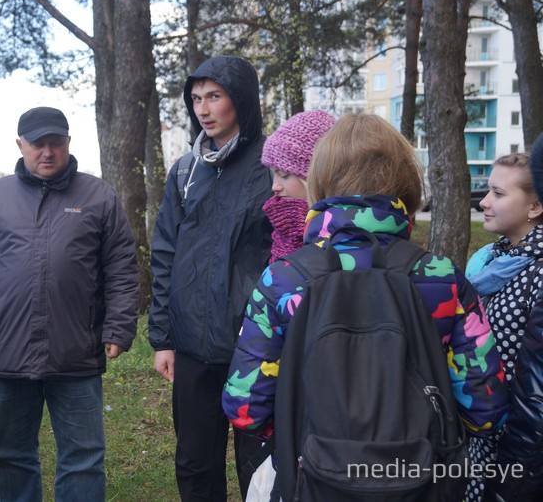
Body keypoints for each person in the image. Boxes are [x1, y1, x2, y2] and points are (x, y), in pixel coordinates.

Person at [222, 113, 509, 499]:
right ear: (405, 178)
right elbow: (486, 406)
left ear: (319, 178)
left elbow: (245, 407)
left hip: (313, 478)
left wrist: (304, 433)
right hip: (420, 481)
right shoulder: (442, 278)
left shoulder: (284, 280)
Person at [0, 106, 139, 502]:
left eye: (56, 143)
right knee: (10, 454)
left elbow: (121, 268)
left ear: (69, 143)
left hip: (78, 353)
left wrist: (119, 327)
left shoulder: (98, 196)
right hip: (9, 354)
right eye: (38, 144)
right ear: (20, 145)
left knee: (84, 457)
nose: (47, 152)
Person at [148, 55, 274, 500]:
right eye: (196, 98)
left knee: (259, 468)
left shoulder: (272, 166)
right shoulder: (186, 171)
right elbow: (164, 254)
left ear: (240, 100)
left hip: (255, 345)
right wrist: (164, 337)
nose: (203, 109)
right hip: (193, 346)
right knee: (195, 463)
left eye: (214, 97)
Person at [463, 152, 543, 502]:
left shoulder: (538, 273)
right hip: (485, 437)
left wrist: (514, 475)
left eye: (498, 193)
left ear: (534, 207)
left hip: (518, 453)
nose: (484, 201)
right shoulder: (495, 262)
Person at [261, 110, 335, 263]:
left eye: (284, 175)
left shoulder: (336, 236)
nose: (275, 186)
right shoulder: (284, 230)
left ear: (314, 176)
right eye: (273, 174)